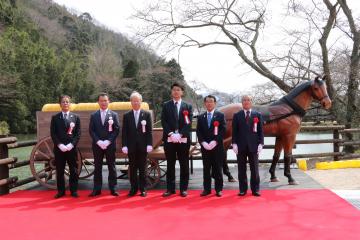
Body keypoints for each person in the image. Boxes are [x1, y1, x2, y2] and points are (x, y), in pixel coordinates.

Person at [161, 82, 193, 197]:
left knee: (184, 164)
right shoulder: (166, 105)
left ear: (182, 92)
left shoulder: (187, 106)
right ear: (171, 92)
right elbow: (163, 121)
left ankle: (183, 189)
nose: (176, 91)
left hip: (183, 139)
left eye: (178, 90)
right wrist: (170, 133)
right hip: (169, 139)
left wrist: (180, 134)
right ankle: (170, 189)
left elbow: (188, 123)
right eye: (174, 89)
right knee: (170, 164)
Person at [122, 92, 153, 197]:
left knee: (143, 168)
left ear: (141, 101)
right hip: (131, 147)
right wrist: (124, 145)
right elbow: (124, 132)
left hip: (143, 146)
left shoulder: (147, 114)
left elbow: (149, 131)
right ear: (131, 102)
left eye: (137, 100)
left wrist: (149, 144)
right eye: (133, 101)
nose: (135, 102)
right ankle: (133, 189)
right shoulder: (126, 115)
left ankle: (143, 189)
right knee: (133, 169)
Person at [89, 93, 120, 197]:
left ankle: (113, 188)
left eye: (105, 100)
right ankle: (96, 189)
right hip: (97, 145)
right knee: (97, 167)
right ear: (98, 102)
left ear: (108, 101)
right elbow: (91, 130)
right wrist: (98, 141)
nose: (103, 102)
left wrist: (108, 141)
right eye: (101, 100)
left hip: (110, 145)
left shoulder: (114, 115)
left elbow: (116, 130)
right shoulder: (94, 115)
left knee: (112, 166)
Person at [232, 95, 264, 197]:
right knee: (241, 169)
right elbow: (234, 132)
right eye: (244, 100)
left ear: (251, 102)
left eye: (248, 100)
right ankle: (242, 189)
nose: (246, 102)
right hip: (240, 146)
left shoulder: (257, 115)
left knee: (254, 169)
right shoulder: (237, 115)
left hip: (254, 146)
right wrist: (234, 143)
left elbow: (260, 131)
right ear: (242, 102)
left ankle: (255, 189)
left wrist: (261, 143)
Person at [50, 95, 81, 199]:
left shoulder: (75, 117)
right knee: (60, 170)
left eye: (67, 102)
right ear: (60, 104)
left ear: (70, 104)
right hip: (59, 149)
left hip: (72, 148)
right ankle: (61, 191)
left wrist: (71, 144)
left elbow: (78, 133)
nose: (65, 103)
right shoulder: (55, 118)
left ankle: (74, 191)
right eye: (63, 102)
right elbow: (53, 134)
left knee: (73, 170)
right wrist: (60, 145)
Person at [196, 95, 226, 197]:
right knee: (206, 168)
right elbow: (198, 131)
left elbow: (223, 131)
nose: (209, 103)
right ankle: (206, 189)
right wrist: (203, 142)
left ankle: (218, 189)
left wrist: (215, 141)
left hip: (217, 147)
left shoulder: (220, 116)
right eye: (207, 102)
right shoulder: (201, 117)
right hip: (205, 148)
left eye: (211, 101)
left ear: (215, 103)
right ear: (205, 103)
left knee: (218, 168)